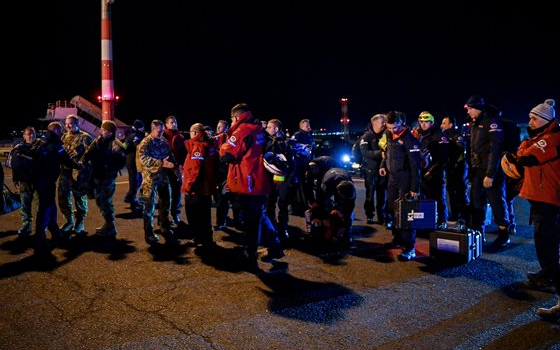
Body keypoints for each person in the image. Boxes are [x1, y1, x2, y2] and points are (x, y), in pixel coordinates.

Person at [509, 99, 560, 321]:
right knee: (546, 247)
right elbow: (523, 150)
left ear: (546, 120)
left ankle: (551, 278)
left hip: (549, 200)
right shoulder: (539, 138)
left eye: (534, 118)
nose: (530, 122)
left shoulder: (550, 139)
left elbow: (525, 157)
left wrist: (523, 147)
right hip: (541, 198)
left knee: (547, 248)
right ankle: (551, 279)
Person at [219, 103, 282, 272]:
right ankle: (275, 246)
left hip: (248, 184)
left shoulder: (242, 130)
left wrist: (224, 143)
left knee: (250, 223)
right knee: (259, 216)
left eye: (232, 119)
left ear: (236, 117)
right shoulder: (256, 128)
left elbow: (227, 155)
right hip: (258, 181)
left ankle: (250, 258)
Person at [464, 95, 511, 249]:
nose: (469, 111)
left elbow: (495, 151)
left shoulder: (492, 123)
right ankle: (478, 233)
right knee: (477, 203)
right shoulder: (475, 124)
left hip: (491, 171)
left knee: (497, 202)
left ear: (477, 108)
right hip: (477, 170)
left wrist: (490, 174)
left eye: (470, 108)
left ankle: (504, 234)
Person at [379, 111, 422, 261]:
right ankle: (397, 239)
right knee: (392, 209)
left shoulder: (410, 140)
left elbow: (415, 166)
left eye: (394, 127)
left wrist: (414, 188)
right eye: (389, 127)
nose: (392, 130)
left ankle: (409, 248)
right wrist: (383, 165)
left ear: (401, 123)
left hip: (405, 178)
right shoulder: (389, 134)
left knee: (405, 213)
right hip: (392, 178)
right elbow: (386, 152)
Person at [33, 122, 81, 255]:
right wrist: (79, 166)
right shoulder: (56, 145)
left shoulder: (42, 142)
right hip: (46, 181)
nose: (63, 131)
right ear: (57, 130)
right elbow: (66, 160)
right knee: (44, 210)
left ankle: (55, 233)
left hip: (40, 181)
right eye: (61, 129)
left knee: (51, 207)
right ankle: (40, 239)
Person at [79, 121, 126, 239]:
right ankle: (109, 225)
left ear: (110, 132)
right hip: (97, 176)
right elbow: (89, 152)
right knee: (100, 201)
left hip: (107, 178)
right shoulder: (99, 140)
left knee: (104, 201)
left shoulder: (115, 144)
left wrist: (108, 167)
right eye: (102, 129)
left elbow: (121, 161)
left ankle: (110, 226)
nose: (102, 131)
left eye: (104, 130)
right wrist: (83, 160)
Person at [137, 119, 177, 244]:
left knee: (166, 201)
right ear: (153, 129)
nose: (161, 134)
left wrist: (175, 165)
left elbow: (170, 155)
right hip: (150, 179)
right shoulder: (145, 143)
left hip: (163, 177)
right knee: (149, 206)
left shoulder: (163, 141)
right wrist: (161, 162)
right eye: (159, 131)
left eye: (162, 131)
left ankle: (164, 226)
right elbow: (144, 159)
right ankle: (149, 232)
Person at [182, 123, 219, 251]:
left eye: (191, 132)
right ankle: (206, 239)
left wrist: (188, 187)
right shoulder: (209, 145)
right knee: (205, 215)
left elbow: (195, 169)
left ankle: (199, 240)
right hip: (206, 188)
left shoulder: (198, 146)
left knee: (194, 216)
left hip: (196, 190)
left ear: (195, 133)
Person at [58, 115, 93, 235]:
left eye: (71, 123)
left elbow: (90, 155)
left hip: (79, 174)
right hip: (65, 172)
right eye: (67, 123)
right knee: (62, 197)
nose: (68, 126)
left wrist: (84, 167)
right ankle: (69, 220)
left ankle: (80, 222)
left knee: (79, 198)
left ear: (77, 124)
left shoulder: (85, 137)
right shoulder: (64, 136)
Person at [414, 111, 449, 228]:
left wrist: (432, 170)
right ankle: (427, 220)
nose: (423, 124)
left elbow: (444, 157)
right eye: (421, 122)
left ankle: (442, 221)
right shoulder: (417, 134)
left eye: (426, 122)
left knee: (439, 197)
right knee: (423, 197)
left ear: (432, 122)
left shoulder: (440, 135)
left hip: (436, 171)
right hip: (421, 171)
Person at [264, 118, 295, 243]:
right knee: (269, 205)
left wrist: (290, 179)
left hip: (282, 180)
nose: (267, 129)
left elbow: (291, 163)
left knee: (282, 205)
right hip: (269, 179)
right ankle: (272, 230)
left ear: (276, 129)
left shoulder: (287, 143)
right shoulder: (265, 140)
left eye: (269, 127)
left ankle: (283, 229)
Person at [9, 127, 44, 238]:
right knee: (25, 205)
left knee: (40, 206)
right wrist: (15, 178)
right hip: (24, 181)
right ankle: (26, 224)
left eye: (32, 134)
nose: (31, 136)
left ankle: (41, 227)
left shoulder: (41, 145)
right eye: (28, 134)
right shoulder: (19, 147)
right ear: (24, 135)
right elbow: (15, 164)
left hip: (38, 181)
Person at [310, 167, 356, 247]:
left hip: (342, 177)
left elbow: (349, 207)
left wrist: (345, 225)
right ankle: (317, 233)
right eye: (342, 196)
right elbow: (321, 202)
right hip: (329, 178)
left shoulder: (350, 188)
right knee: (320, 211)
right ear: (338, 192)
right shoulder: (327, 184)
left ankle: (347, 233)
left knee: (346, 208)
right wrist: (324, 219)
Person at [358, 113, 387, 224]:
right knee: (370, 194)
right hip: (370, 170)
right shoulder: (366, 136)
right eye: (382, 122)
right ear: (374, 124)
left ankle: (381, 216)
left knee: (382, 194)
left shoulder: (385, 135)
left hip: (382, 169)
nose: (384, 124)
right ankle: (369, 215)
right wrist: (380, 154)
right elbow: (365, 153)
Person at [213, 119, 243, 229]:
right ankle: (221, 221)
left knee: (235, 199)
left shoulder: (230, 138)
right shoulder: (214, 140)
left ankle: (238, 220)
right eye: (217, 126)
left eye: (221, 126)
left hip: (230, 173)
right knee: (220, 200)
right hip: (219, 174)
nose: (218, 128)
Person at [441, 115, 470, 222]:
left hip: (459, 169)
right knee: (451, 192)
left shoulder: (457, 136)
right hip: (450, 169)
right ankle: (454, 214)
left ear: (451, 125)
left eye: (444, 123)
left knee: (460, 192)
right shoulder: (443, 136)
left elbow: (460, 149)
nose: (442, 125)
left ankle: (464, 215)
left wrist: (453, 162)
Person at [163, 115, 187, 225]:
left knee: (176, 193)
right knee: (164, 194)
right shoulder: (162, 136)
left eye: (175, 122)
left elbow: (184, 153)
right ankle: (163, 218)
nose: (174, 124)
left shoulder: (180, 137)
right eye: (171, 122)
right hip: (164, 169)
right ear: (166, 124)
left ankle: (175, 214)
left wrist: (181, 165)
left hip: (176, 169)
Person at [290, 119, 315, 215]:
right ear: (301, 127)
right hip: (298, 165)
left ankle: (305, 205)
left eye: (309, 125)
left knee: (307, 185)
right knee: (296, 186)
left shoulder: (309, 136)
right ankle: (293, 207)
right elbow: (293, 148)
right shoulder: (297, 135)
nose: (309, 127)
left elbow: (312, 150)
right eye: (306, 126)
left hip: (306, 164)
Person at [123, 119, 147, 210]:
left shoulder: (130, 133)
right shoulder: (134, 135)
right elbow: (137, 145)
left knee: (138, 180)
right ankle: (132, 201)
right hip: (131, 161)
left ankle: (130, 197)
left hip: (133, 161)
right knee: (134, 181)